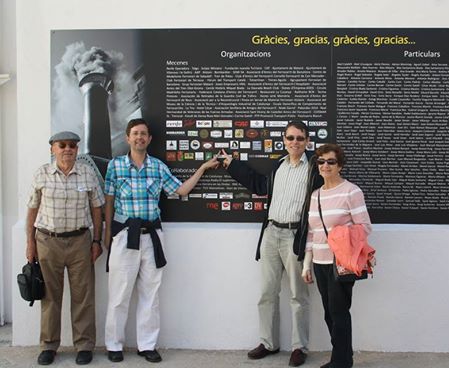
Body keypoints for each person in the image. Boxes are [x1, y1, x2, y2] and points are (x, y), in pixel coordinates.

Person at [103, 118, 218, 363]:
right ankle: (114, 345)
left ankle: (147, 345)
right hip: (124, 235)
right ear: (127, 138)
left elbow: (181, 190)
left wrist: (203, 168)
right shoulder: (115, 166)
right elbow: (109, 200)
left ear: (149, 139)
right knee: (119, 294)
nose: (139, 138)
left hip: (152, 237)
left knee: (150, 294)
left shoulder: (157, 167)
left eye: (143, 134)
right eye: (135, 133)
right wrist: (107, 233)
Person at [220, 120, 323, 367]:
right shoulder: (279, 165)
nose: (295, 142)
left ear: (307, 141)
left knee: (299, 295)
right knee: (267, 292)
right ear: (284, 141)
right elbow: (260, 186)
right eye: (290, 138)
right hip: (271, 233)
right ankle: (268, 343)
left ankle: (299, 347)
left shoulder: (315, 168)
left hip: (295, 237)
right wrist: (232, 164)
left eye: (299, 138)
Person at [26, 131, 105, 366]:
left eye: (72, 145)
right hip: (48, 242)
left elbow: (97, 209)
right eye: (62, 145)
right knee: (50, 297)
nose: (68, 149)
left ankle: (84, 345)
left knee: (84, 296)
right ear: (53, 149)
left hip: (80, 241)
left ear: (77, 149)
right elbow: (31, 210)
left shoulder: (88, 173)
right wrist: (30, 243)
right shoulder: (42, 174)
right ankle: (49, 345)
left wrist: (96, 241)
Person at [302, 143, 372, 368]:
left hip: (341, 262)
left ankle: (341, 361)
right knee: (329, 314)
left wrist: (339, 234)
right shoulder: (315, 195)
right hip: (320, 262)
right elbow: (312, 232)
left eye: (331, 161)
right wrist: (306, 264)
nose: (325, 165)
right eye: (320, 161)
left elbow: (365, 226)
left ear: (340, 165)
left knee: (338, 312)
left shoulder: (351, 191)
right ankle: (341, 355)